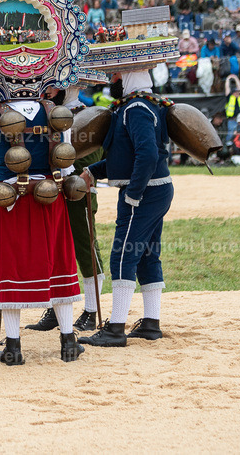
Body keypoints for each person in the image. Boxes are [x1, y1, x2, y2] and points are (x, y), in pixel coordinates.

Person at [0, 86, 85, 365]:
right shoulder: (56, 114)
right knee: (59, 265)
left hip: (11, 203)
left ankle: (13, 347)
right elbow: (67, 168)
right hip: (50, 200)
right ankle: (68, 342)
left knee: (11, 270)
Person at [79, 70, 173, 347]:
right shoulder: (143, 104)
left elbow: (147, 154)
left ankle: (116, 327)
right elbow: (126, 157)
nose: (112, 79)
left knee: (122, 255)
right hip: (156, 188)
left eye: (116, 74)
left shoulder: (136, 108)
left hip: (145, 191)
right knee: (145, 254)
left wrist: (134, 193)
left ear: (129, 76)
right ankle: (151, 324)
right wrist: (93, 171)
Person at [27, 86, 105, 333]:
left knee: (86, 249)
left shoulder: (88, 114)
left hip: (77, 191)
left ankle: (92, 310)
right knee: (54, 252)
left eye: (52, 86)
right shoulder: (49, 113)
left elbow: (92, 159)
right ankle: (55, 306)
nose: (46, 90)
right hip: (52, 192)